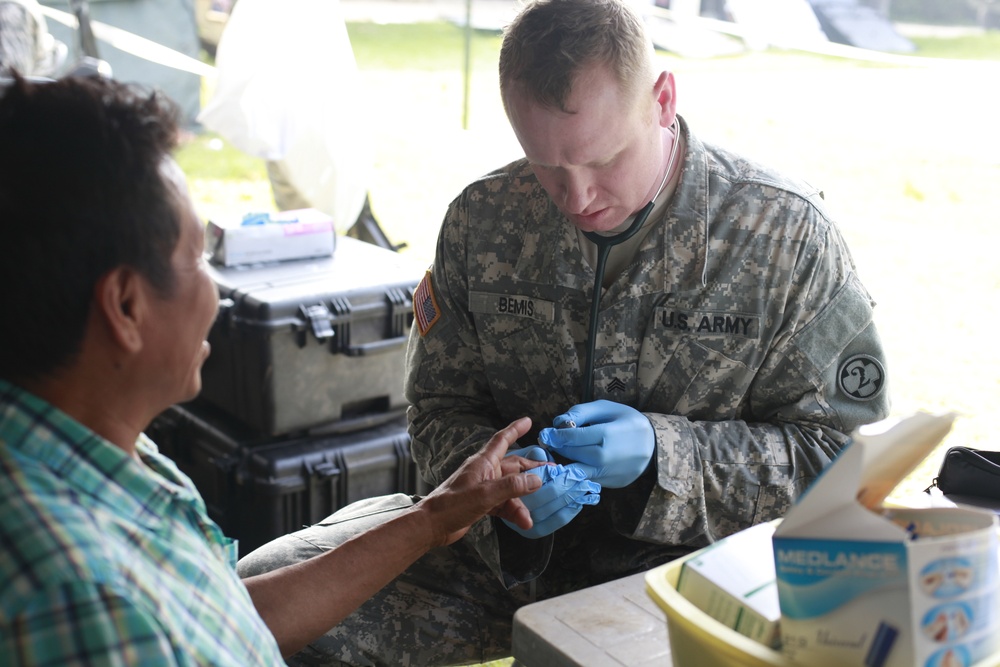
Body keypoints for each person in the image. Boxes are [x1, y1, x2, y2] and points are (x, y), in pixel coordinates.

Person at [237, 0, 891, 664]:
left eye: (604, 160)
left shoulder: (782, 234)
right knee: (251, 609)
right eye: (546, 166)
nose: (577, 197)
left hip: (690, 574)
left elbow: (841, 459)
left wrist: (665, 456)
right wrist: (500, 493)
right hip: (499, 559)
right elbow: (439, 408)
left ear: (662, 101)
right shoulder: (484, 220)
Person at [0, 73, 547, 664]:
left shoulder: (92, 449)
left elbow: (227, 622)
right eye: (194, 261)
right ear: (126, 307)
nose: (214, 295)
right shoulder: (88, 604)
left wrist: (434, 517)